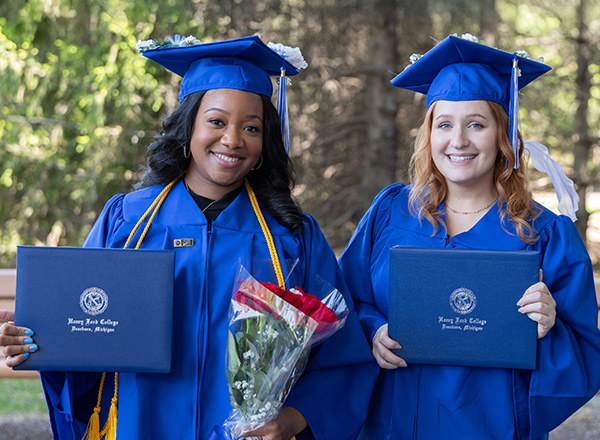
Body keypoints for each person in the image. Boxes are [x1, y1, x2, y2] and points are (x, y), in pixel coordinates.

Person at [0, 35, 377, 440]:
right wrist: (35, 342)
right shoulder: (127, 221)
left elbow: (343, 357)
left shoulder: (292, 236)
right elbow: (85, 327)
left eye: (250, 127)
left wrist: (291, 419)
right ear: (188, 127)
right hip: (139, 426)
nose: (232, 140)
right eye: (216, 121)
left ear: (265, 140)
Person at [339, 34, 600, 439]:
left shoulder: (545, 234)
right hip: (392, 422)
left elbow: (585, 350)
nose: (457, 141)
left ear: (503, 135)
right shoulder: (391, 212)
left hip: (489, 427)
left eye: (476, 124)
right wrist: (372, 330)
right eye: (444, 124)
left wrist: (549, 328)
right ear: (429, 135)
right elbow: (343, 297)